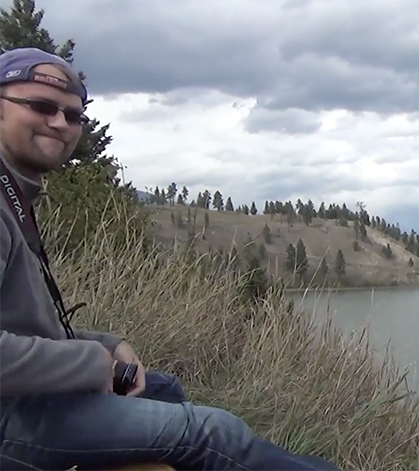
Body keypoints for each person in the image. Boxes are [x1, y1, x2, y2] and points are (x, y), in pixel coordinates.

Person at [0, 47, 342, 471]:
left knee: (161, 389)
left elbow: (19, 326)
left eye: (73, 116)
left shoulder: (16, 194)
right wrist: (94, 363)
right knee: (216, 433)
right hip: (12, 419)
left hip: (23, 401)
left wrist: (107, 344)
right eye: (40, 106)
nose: (59, 123)